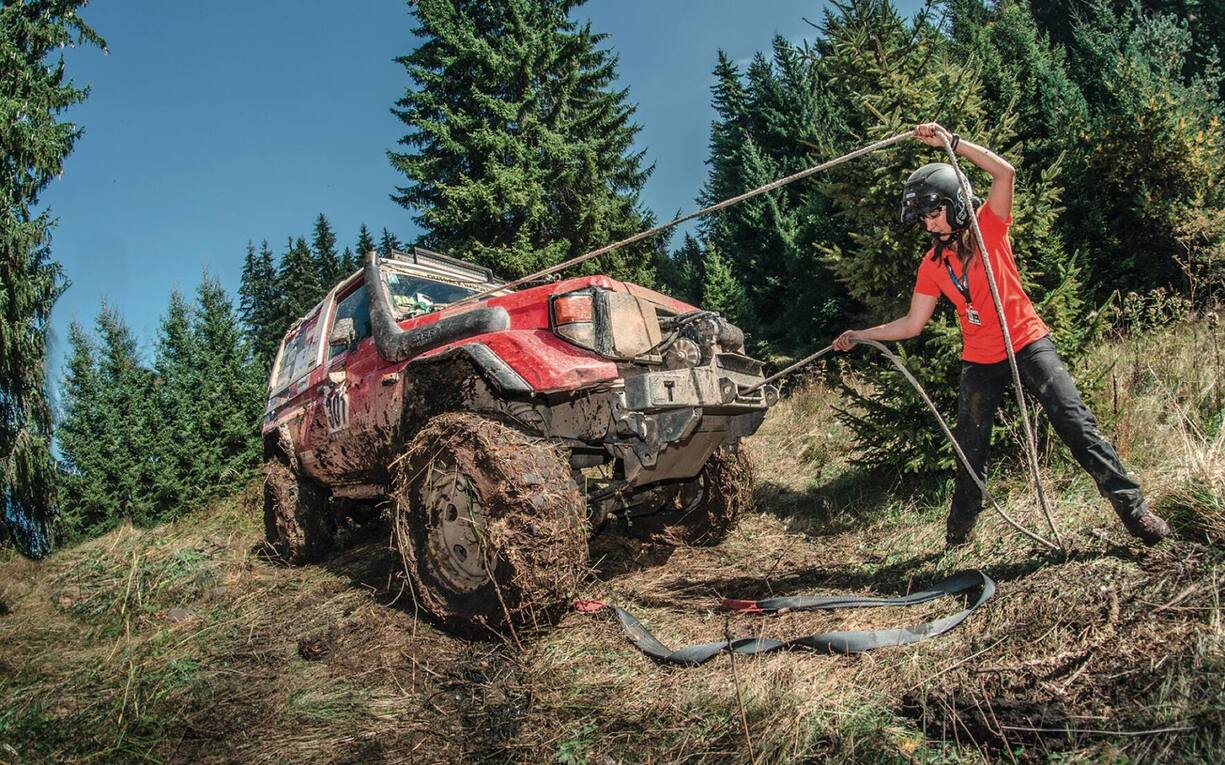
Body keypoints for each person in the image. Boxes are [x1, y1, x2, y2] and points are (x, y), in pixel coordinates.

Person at [833, 122, 1170, 549]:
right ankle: (959, 534)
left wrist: (951, 143)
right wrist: (860, 334)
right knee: (970, 446)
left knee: (1076, 424)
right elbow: (912, 324)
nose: (928, 225)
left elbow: (1004, 173)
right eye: (922, 219)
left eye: (933, 214)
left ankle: (1135, 511)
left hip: (1027, 341)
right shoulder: (932, 264)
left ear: (956, 204)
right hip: (980, 358)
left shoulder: (989, 226)